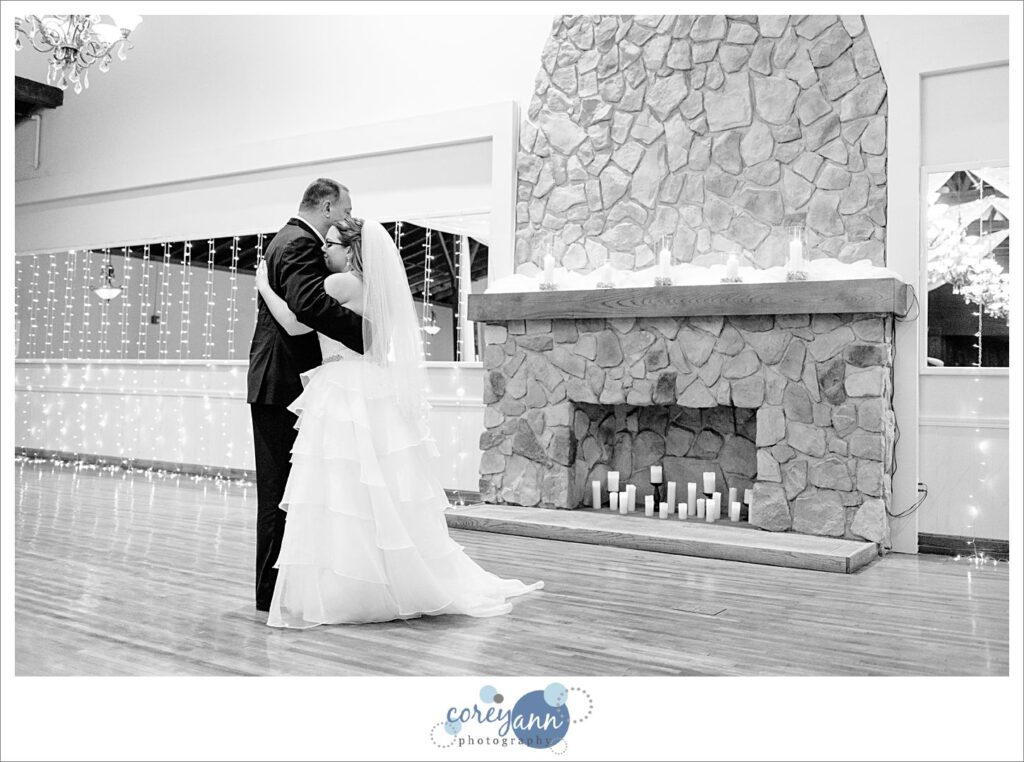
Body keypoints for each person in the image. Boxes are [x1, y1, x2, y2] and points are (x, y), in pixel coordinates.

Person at [254, 218, 543, 627]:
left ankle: (351, 585)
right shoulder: (378, 291)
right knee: (376, 491)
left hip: (342, 388)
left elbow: (294, 321)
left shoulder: (339, 285)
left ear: (352, 251)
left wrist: (265, 287)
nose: (324, 251)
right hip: (373, 387)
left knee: (342, 490)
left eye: (332, 245)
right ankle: (389, 578)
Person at [246, 179, 364, 613]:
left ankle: (284, 588)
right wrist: (368, 336)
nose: (349, 217)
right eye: (346, 209)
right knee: (281, 493)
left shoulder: (287, 240)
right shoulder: (298, 243)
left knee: (291, 491)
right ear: (328, 206)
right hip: (282, 384)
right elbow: (307, 311)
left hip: (283, 383)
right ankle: (271, 593)